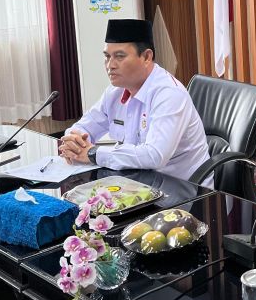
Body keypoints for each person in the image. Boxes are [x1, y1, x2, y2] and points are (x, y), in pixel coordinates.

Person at [58, 19, 211, 185]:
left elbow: (154, 156)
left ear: (146, 57)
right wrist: (73, 141)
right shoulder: (115, 91)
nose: (110, 65)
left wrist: (94, 153)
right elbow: (84, 127)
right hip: (137, 183)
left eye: (119, 56)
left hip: (182, 190)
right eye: (107, 57)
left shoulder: (168, 94)